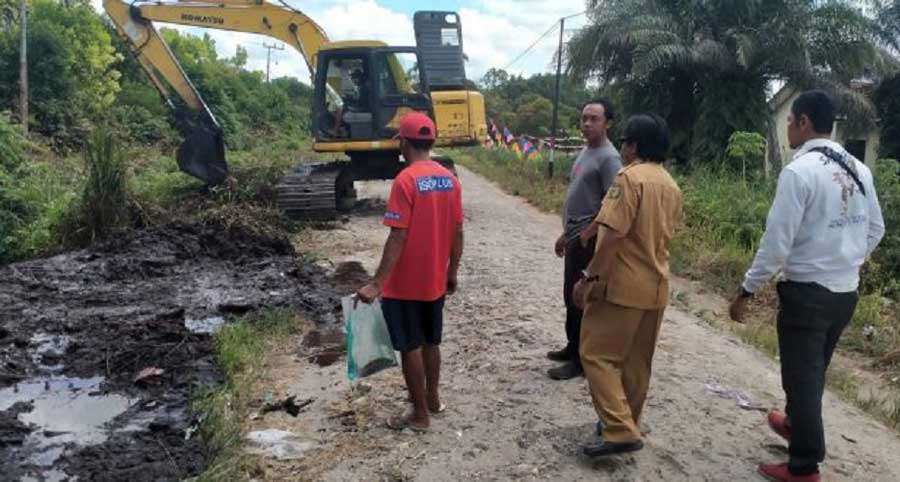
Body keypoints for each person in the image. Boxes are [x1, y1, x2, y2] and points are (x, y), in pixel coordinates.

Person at [729, 90, 884, 482]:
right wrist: (847, 258)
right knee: (811, 370)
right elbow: (876, 228)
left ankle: (803, 466)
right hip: (844, 294)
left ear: (803, 123)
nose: (786, 128)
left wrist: (747, 290)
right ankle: (797, 425)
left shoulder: (799, 172)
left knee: (803, 377)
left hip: (808, 294)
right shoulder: (858, 168)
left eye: (789, 120)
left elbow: (776, 243)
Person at [574, 113, 682, 457]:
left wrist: (589, 277)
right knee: (637, 362)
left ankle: (619, 429)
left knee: (596, 354)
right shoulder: (670, 184)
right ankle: (626, 420)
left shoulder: (629, 178)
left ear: (633, 146)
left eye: (624, 142)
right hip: (655, 285)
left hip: (622, 285)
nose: (622, 149)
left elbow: (615, 234)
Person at [356, 111, 465, 432]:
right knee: (432, 342)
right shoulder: (450, 179)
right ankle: (432, 398)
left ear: (404, 142)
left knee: (410, 346)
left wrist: (378, 282)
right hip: (435, 280)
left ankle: (419, 415)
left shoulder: (406, 180)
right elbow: (458, 231)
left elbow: (398, 234)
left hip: (405, 285)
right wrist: (452, 271)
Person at [547, 99, 622, 381]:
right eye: (584, 119)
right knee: (570, 294)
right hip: (575, 235)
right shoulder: (585, 152)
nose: (587, 124)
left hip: (589, 240)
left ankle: (581, 360)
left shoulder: (609, 158)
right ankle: (571, 346)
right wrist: (565, 234)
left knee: (582, 297)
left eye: (594, 119)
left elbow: (610, 207)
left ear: (608, 123)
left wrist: (585, 234)